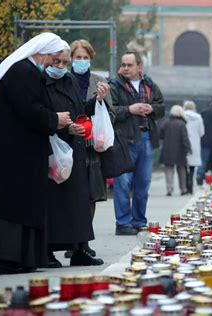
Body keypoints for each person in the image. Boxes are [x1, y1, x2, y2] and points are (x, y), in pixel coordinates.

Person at [0, 32, 72, 274]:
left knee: (18, 206)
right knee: (13, 207)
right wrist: (55, 119)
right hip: (13, 156)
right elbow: (29, 109)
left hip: (14, 152)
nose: (53, 64)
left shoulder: (21, 70)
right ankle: (8, 259)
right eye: (53, 59)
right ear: (43, 53)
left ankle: (21, 258)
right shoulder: (22, 71)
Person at [43, 43, 106, 267]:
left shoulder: (69, 81)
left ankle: (80, 248)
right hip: (54, 149)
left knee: (79, 201)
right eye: (56, 62)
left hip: (75, 149)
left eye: (64, 62)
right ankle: (47, 251)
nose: (60, 66)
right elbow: (42, 114)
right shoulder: (43, 82)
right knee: (53, 204)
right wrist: (64, 127)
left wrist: (97, 100)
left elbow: (80, 110)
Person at [66, 39, 114, 259]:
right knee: (70, 194)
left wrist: (102, 102)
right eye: (78, 57)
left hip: (93, 146)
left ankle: (84, 240)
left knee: (91, 195)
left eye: (85, 58)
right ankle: (70, 240)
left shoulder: (100, 82)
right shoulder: (64, 80)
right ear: (70, 59)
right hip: (69, 144)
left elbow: (111, 115)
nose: (82, 61)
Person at [109, 51, 165, 236]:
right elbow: (110, 111)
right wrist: (130, 109)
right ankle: (123, 223)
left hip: (146, 137)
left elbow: (161, 107)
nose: (125, 68)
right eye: (123, 64)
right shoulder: (114, 85)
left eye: (129, 65)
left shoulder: (149, 84)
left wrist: (152, 109)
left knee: (143, 183)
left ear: (139, 66)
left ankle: (139, 221)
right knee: (123, 183)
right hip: (124, 140)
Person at [160, 105, 191, 196]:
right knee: (181, 170)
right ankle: (183, 189)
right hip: (180, 150)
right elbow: (185, 138)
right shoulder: (182, 124)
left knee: (168, 170)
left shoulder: (166, 123)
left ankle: (169, 189)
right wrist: (188, 148)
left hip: (167, 150)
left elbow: (161, 135)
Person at [183, 100, 205, 194]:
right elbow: (202, 132)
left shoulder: (182, 116)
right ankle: (191, 184)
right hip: (195, 142)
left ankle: (185, 185)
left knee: (184, 165)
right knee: (192, 166)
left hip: (183, 142)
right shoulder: (198, 117)